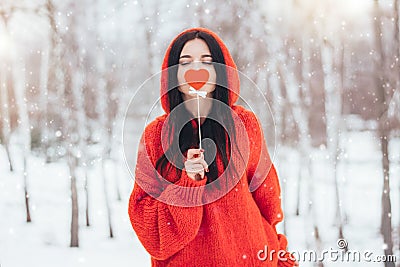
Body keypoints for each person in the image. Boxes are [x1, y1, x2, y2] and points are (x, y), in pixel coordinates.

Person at [128, 27, 298, 267]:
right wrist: (187, 185)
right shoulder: (155, 136)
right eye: (185, 63)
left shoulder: (245, 125)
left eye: (206, 61)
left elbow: (268, 200)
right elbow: (148, 226)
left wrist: (276, 251)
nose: (196, 69)